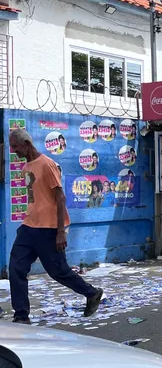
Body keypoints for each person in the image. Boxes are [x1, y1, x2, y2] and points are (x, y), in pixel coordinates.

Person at [7, 128, 103, 324]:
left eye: (16, 146)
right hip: (29, 226)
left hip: (49, 229)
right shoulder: (26, 168)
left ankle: (92, 293)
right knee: (16, 268)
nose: (14, 150)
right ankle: (21, 316)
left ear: (26, 144)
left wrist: (61, 232)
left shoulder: (47, 165)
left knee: (58, 271)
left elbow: (60, 198)